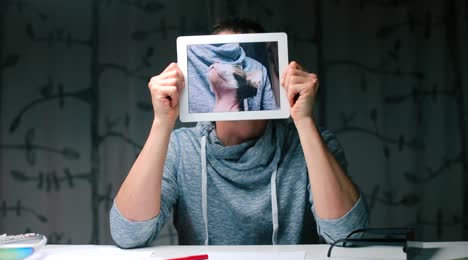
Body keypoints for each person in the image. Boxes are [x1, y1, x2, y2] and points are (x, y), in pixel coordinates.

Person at [110, 18, 368, 247]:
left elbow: (348, 235)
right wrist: (161, 123)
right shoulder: (180, 148)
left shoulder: (312, 143)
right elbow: (128, 235)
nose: (218, 64)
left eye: (235, 61)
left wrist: (304, 120)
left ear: (256, 80)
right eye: (215, 57)